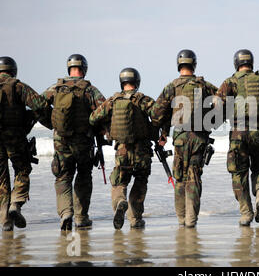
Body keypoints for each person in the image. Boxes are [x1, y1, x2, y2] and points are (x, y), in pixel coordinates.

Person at [151, 50, 217, 228]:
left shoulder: (171, 87)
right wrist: (213, 121)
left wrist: (164, 131)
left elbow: (156, 114)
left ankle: (181, 219)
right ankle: (191, 220)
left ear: (179, 65)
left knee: (179, 177)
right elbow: (224, 101)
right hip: (200, 138)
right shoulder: (205, 85)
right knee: (194, 177)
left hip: (180, 138)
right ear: (194, 64)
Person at [42, 54, 106, 230]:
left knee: (63, 177)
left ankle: (66, 213)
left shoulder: (56, 88)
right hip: (83, 142)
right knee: (84, 177)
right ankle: (81, 217)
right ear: (83, 69)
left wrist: (51, 123)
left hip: (61, 141)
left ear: (69, 68)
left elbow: (37, 105)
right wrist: (98, 128)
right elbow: (105, 110)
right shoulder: (90, 90)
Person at [90, 68, 159, 229]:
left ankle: (120, 201)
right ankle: (135, 219)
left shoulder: (113, 101)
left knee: (119, 183)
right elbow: (158, 115)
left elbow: (93, 118)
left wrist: (107, 127)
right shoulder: (143, 100)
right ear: (137, 82)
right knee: (140, 182)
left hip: (122, 151)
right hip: (142, 151)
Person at [216, 49, 259, 226]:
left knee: (239, 172)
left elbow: (217, 105)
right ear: (252, 63)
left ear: (237, 63)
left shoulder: (230, 81)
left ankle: (246, 213)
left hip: (238, 133)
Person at [0, 56, 51, 231]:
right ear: (13, 70)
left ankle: (5, 219)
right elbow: (40, 104)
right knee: (22, 170)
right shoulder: (18, 86)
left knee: (1, 180)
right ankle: (16, 204)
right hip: (15, 138)